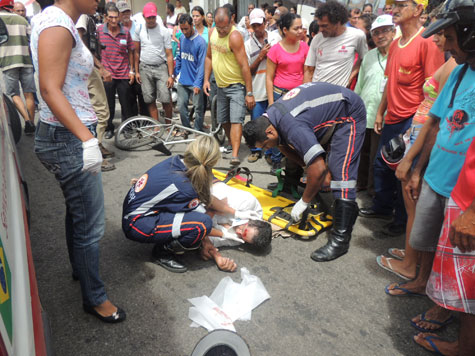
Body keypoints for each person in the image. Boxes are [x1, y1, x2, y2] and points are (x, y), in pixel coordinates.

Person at [31, 0, 125, 323]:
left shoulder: (64, 21)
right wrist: (87, 139)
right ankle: (95, 298)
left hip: (67, 133)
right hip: (68, 136)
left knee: (78, 211)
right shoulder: (57, 22)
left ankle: (80, 271)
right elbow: (48, 88)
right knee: (90, 224)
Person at [382, 0, 474, 306]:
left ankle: (442, 311)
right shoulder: (460, 73)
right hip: (437, 174)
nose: (444, 44)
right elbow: (435, 123)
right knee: (428, 239)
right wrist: (417, 168)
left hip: (462, 189)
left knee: (454, 255)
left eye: (449, 36)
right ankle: (422, 282)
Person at [243, 82, 367, 262]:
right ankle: (346, 210)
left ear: (269, 132)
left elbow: (318, 168)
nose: (266, 150)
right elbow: (283, 145)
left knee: (342, 174)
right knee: (322, 174)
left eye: (264, 146)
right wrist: (312, 169)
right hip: (329, 111)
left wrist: (304, 200)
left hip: (349, 114)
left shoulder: (292, 126)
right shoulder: (271, 119)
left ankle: (340, 240)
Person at [359, 0, 445, 237]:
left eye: (401, 4)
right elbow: (390, 82)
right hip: (392, 117)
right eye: (393, 4)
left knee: (403, 173)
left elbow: (434, 89)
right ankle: (382, 208)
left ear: (418, 10)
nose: (394, 9)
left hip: (413, 119)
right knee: (382, 165)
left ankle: (401, 221)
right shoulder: (396, 44)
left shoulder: (427, 42)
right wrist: (380, 112)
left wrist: (419, 127)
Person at [122, 136, 261, 273]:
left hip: (135, 209)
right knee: (202, 224)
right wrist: (223, 234)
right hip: (136, 224)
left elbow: (208, 199)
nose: (239, 231)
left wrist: (236, 213)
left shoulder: (177, 161)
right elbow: (202, 218)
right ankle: (162, 253)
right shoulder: (185, 186)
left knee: (201, 219)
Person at [203, 7, 255, 167]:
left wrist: (249, 92)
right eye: (218, 27)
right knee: (223, 119)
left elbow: (244, 66)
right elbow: (209, 57)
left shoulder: (234, 36)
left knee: (235, 120)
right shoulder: (212, 33)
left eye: (224, 27)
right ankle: (234, 142)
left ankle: (235, 155)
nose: (221, 30)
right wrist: (206, 79)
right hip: (220, 86)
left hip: (236, 86)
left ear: (231, 20)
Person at [354, 15, 395, 195]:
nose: (380, 36)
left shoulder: (398, 54)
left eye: (385, 31)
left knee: (376, 157)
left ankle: (374, 192)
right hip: (365, 111)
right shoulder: (370, 56)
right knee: (361, 153)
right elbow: (360, 84)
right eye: (376, 33)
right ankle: (361, 183)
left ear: (394, 32)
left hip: (385, 115)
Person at [266, 12, 309, 175]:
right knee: (277, 130)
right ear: (285, 30)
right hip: (280, 95)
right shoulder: (275, 50)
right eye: (296, 28)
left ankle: (297, 162)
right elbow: (269, 78)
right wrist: (271, 102)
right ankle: (277, 161)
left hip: (298, 96)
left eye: (301, 28)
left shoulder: (305, 47)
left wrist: (304, 93)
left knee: (299, 129)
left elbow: (306, 71)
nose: (300, 31)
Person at [76, 13, 117, 172]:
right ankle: (95, 155)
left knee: (95, 112)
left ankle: (97, 146)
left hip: (86, 69)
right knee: (101, 112)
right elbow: (80, 46)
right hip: (87, 69)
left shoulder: (87, 18)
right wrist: (100, 67)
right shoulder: (80, 18)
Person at [244, 7, 280, 164]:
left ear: (265, 23)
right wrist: (260, 57)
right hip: (257, 89)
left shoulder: (275, 38)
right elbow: (248, 71)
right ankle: (256, 150)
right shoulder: (247, 45)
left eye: (259, 24)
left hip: (274, 88)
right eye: (254, 26)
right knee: (257, 122)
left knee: (273, 122)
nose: (257, 28)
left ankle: (272, 152)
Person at [304, 0, 368, 88]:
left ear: (337, 22)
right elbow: (309, 70)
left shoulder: (357, 36)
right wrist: (307, 94)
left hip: (339, 94)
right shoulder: (317, 39)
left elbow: (363, 59)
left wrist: (350, 78)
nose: (321, 29)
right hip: (316, 91)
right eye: (320, 25)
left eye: (325, 26)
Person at [97, 4, 135, 139]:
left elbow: (131, 51)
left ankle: (127, 128)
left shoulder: (125, 31)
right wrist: (100, 69)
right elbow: (96, 51)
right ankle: (109, 128)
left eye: (116, 17)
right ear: (106, 17)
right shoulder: (100, 31)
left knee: (126, 103)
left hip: (123, 72)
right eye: (111, 18)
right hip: (107, 74)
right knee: (109, 104)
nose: (114, 21)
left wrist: (132, 71)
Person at [133, 2, 174, 124]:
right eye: (148, 17)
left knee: (166, 99)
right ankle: (157, 126)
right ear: (144, 17)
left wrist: (170, 76)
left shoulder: (164, 31)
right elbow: (136, 52)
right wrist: (136, 71)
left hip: (161, 67)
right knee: (149, 99)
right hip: (144, 68)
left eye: (153, 17)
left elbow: (169, 55)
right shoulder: (139, 29)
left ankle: (168, 126)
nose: (151, 20)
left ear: (156, 17)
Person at [0, 0, 36, 135]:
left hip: (8, 61)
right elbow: (31, 39)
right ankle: (31, 125)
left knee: (14, 93)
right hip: (26, 60)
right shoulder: (22, 20)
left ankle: (27, 121)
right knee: (29, 93)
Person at [174, 14, 207, 132]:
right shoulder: (182, 38)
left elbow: (202, 65)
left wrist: (198, 84)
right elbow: (179, 57)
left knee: (198, 108)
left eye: (186, 29)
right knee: (181, 106)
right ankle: (186, 128)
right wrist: (175, 73)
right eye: (182, 29)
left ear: (192, 25)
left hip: (195, 82)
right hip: (183, 80)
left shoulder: (201, 42)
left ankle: (197, 130)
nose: (184, 31)